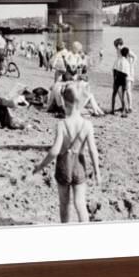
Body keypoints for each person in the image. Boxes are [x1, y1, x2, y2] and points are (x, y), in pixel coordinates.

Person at [33, 84, 101, 223]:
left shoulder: (62, 124)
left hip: (63, 166)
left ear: (64, 102)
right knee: (80, 204)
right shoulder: (87, 124)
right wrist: (97, 172)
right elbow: (93, 151)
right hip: (79, 166)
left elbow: (54, 151)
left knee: (64, 204)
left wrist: (40, 166)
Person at [111, 46, 131, 117]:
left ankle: (112, 110)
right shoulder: (127, 62)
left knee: (114, 94)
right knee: (123, 95)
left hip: (118, 76)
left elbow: (114, 70)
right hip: (124, 77)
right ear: (127, 54)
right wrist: (127, 82)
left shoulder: (118, 59)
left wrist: (114, 79)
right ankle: (123, 111)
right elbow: (127, 74)